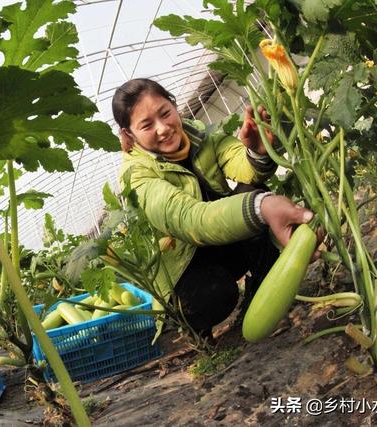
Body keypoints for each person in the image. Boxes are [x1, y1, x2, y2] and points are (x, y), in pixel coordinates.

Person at [112, 78, 314, 339]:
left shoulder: (204, 140)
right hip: (184, 272)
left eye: (165, 113)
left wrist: (258, 152)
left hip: (220, 248)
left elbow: (245, 168)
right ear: (129, 134)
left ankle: (260, 296)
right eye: (147, 125)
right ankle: (194, 330)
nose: (163, 129)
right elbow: (189, 220)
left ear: (174, 105)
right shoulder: (136, 175)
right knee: (214, 294)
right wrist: (262, 208)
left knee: (255, 193)